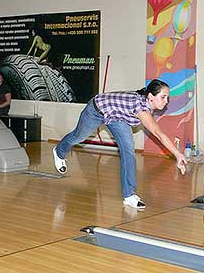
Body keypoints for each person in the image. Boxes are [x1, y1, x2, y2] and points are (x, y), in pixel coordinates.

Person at [52, 79, 188, 210]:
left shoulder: (147, 103)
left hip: (117, 118)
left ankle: (129, 195)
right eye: (163, 97)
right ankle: (59, 151)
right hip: (97, 110)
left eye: (167, 98)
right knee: (78, 137)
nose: (166, 101)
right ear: (151, 96)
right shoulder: (141, 108)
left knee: (128, 151)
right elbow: (158, 133)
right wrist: (177, 154)